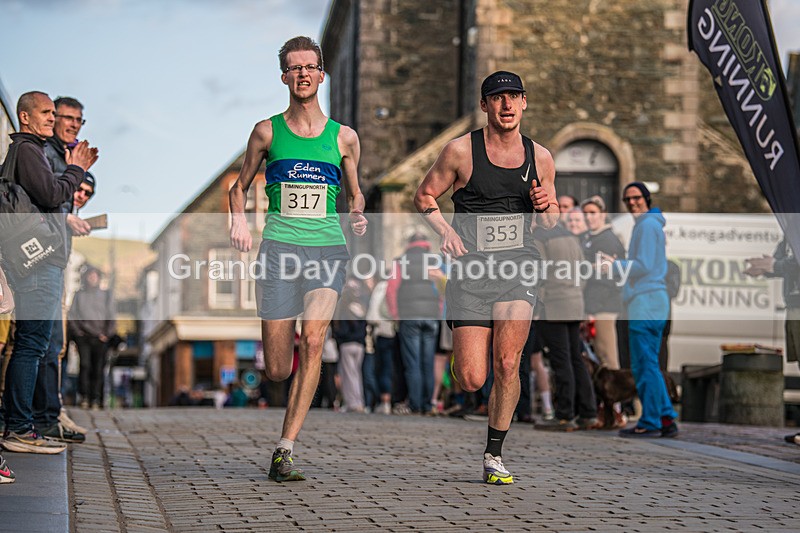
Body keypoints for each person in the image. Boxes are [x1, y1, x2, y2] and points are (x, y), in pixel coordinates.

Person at [229, 36, 367, 482]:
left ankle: (285, 449)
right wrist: (239, 222)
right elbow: (240, 185)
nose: (303, 74)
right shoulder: (267, 131)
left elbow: (355, 192)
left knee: (313, 342)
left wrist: (360, 214)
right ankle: (282, 402)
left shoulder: (344, 137)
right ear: (284, 76)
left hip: (327, 249)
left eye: (310, 67)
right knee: (276, 367)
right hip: (279, 250)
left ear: (321, 74)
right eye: (294, 68)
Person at [414, 71, 558, 484]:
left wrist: (547, 205)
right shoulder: (460, 151)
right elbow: (424, 195)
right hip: (472, 272)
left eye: (514, 97)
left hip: (519, 268)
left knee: (509, 362)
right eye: (498, 98)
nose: (507, 105)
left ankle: (494, 454)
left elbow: (550, 224)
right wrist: (445, 231)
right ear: (485, 106)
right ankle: (464, 348)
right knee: (473, 378)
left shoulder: (541, 157)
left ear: (525, 102)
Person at [1, 92, 96, 455]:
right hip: (38, 262)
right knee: (33, 345)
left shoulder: (26, 151)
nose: (52, 119)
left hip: (32, 259)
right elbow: (52, 192)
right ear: (24, 117)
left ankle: (20, 425)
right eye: (46, 113)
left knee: (30, 343)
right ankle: (21, 429)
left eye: (54, 113)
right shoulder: (27, 150)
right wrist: (77, 169)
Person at [601, 182, 678, 438]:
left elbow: (643, 265)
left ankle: (651, 421)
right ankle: (666, 418)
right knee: (651, 365)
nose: (632, 203)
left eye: (636, 198)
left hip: (644, 303)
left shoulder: (645, 226)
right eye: (627, 200)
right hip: (655, 301)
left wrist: (615, 265)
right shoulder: (652, 225)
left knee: (645, 367)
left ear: (646, 199)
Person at [39, 96, 95, 443]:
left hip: (57, 259)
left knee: (52, 345)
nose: (74, 124)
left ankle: (49, 413)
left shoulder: (63, 155)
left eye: (79, 120)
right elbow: (42, 199)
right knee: (39, 344)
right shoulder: (44, 154)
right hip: (38, 260)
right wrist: (65, 216)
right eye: (67, 117)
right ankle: (39, 419)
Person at [532, 222, 598, 431]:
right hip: (574, 302)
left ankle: (564, 415)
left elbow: (537, 274)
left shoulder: (541, 237)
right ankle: (588, 413)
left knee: (561, 360)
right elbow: (584, 272)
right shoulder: (571, 236)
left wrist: (536, 304)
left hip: (552, 305)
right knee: (575, 358)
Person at [744, 237, 799, 445]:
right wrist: (765, 268)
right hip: (793, 305)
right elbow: (780, 262)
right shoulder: (790, 230)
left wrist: (774, 265)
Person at [580, 195, 626, 428]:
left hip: (603, 308)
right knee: (600, 359)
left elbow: (607, 279)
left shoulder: (606, 240)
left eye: (593, 213)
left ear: (603, 214)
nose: (589, 217)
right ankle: (608, 410)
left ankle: (617, 411)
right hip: (594, 307)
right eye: (586, 213)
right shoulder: (591, 239)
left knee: (608, 360)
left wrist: (592, 309)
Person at [386, 233, 443, 415]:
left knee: (413, 363)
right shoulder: (434, 261)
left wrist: (396, 314)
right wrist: (438, 311)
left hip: (409, 316)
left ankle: (415, 404)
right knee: (428, 362)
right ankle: (428, 404)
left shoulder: (401, 261)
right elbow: (442, 289)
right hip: (431, 317)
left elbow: (391, 289)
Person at [68, 265, 116, 410]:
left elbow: (112, 315)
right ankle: (84, 396)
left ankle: (96, 398)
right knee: (84, 366)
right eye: (90, 275)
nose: (92, 278)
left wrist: (107, 335)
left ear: (99, 278)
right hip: (83, 337)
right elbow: (72, 315)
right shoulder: (79, 295)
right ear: (86, 278)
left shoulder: (106, 294)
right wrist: (78, 332)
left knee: (98, 368)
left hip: (100, 337)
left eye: (95, 275)